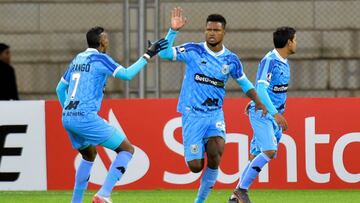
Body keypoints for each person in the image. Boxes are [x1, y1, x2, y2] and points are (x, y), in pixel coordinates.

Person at [159, 7, 267, 203]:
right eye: (209, 29)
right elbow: (165, 54)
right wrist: (173, 31)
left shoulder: (231, 60)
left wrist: (258, 101)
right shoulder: (193, 50)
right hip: (192, 114)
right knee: (195, 166)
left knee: (216, 152)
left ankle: (199, 201)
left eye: (216, 30)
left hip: (214, 115)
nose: (211, 33)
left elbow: (244, 83)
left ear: (224, 32)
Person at [56, 26, 167, 203]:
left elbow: (60, 88)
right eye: (106, 38)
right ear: (101, 42)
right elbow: (127, 75)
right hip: (85, 117)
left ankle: (75, 201)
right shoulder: (100, 59)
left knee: (89, 155)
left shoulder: (78, 59)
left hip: (68, 117)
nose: (108, 41)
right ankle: (104, 194)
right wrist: (148, 55)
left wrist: (68, 109)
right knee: (126, 150)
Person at [228, 26, 296, 203]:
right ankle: (241, 191)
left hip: (269, 113)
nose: (296, 43)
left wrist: (255, 101)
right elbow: (261, 88)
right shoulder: (270, 60)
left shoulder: (283, 62)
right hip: (265, 114)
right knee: (269, 151)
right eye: (295, 40)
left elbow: (271, 91)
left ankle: (234, 199)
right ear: (289, 42)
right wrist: (275, 114)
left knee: (254, 156)